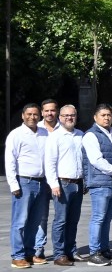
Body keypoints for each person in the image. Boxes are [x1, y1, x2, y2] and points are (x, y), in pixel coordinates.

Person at [82, 104, 112, 266]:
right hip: (100, 183)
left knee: (107, 218)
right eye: (103, 115)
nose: (107, 118)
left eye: (109, 115)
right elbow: (96, 160)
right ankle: (94, 252)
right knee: (98, 218)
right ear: (95, 117)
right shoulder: (91, 135)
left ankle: (105, 249)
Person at [6, 103, 49, 269]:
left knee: (34, 221)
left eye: (35, 114)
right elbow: (10, 161)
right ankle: (17, 256)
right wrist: (13, 184)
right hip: (24, 182)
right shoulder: (16, 135)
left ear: (40, 116)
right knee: (20, 221)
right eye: (29, 114)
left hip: (41, 181)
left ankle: (30, 253)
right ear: (23, 116)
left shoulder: (44, 133)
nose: (32, 117)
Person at [45, 104, 84, 266]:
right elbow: (50, 162)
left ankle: (71, 250)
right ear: (60, 118)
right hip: (63, 183)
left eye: (72, 115)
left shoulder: (81, 135)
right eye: (66, 115)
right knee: (61, 220)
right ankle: (59, 254)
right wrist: (54, 184)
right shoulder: (55, 136)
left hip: (78, 183)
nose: (69, 118)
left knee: (74, 220)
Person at [35, 99, 59, 262]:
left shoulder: (63, 127)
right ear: (42, 113)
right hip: (42, 179)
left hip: (61, 179)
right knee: (41, 216)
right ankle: (38, 248)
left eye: (52, 110)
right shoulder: (37, 129)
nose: (50, 113)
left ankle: (62, 248)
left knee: (62, 216)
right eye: (47, 111)